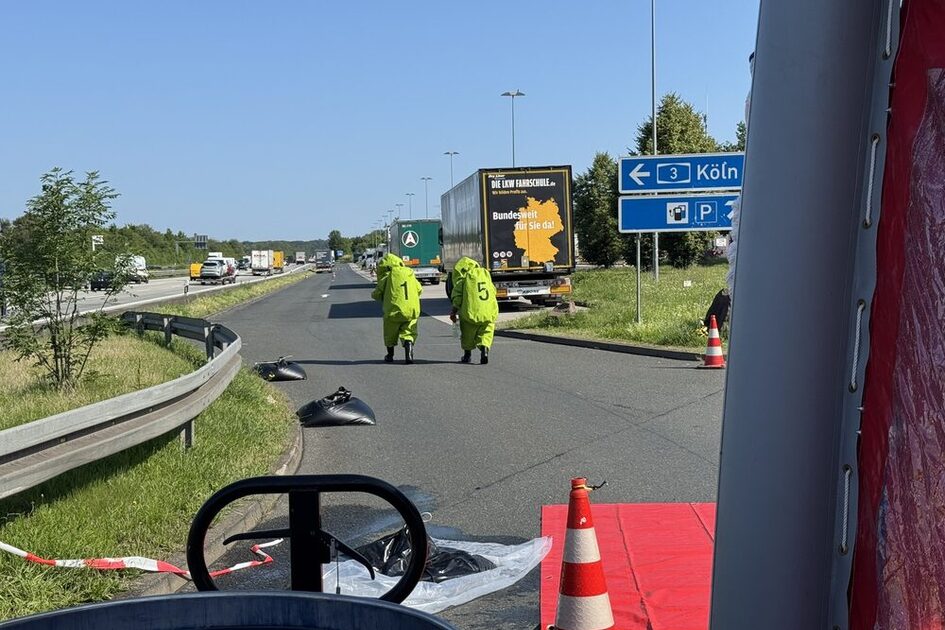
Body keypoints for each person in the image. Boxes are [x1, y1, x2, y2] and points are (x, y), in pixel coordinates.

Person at [372, 253, 422, 364]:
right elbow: (419, 289)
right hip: (411, 310)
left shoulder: (386, 277)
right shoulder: (410, 274)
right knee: (408, 332)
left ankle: (390, 355)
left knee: (390, 333)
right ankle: (408, 347)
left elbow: (377, 294)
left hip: (393, 311)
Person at [449, 256, 498, 364]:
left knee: (467, 335)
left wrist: (453, 311)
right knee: (486, 333)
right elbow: (494, 291)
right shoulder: (485, 276)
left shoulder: (463, 280)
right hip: (488, 313)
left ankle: (467, 355)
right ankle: (484, 349)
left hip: (470, 313)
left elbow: (457, 298)